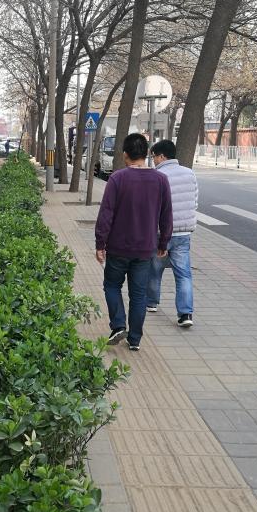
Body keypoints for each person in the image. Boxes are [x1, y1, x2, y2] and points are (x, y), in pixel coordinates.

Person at [95, 133, 173, 351]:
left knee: (112, 285)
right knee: (139, 294)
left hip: (118, 247)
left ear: (125, 154)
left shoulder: (117, 178)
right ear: (146, 153)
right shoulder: (160, 180)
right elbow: (167, 215)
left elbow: (106, 214)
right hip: (145, 249)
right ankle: (135, 339)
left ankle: (118, 325)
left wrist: (100, 244)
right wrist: (163, 243)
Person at [146, 139, 198, 327]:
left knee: (154, 268)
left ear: (161, 156)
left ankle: (151, 302)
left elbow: (151, 206)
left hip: (162, 232)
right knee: (183, 274)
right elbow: (194, 201)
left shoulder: (157, 176)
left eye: (154, 157)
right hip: (183, 233)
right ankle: (185, 314)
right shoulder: (190, 173)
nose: (153, 160)